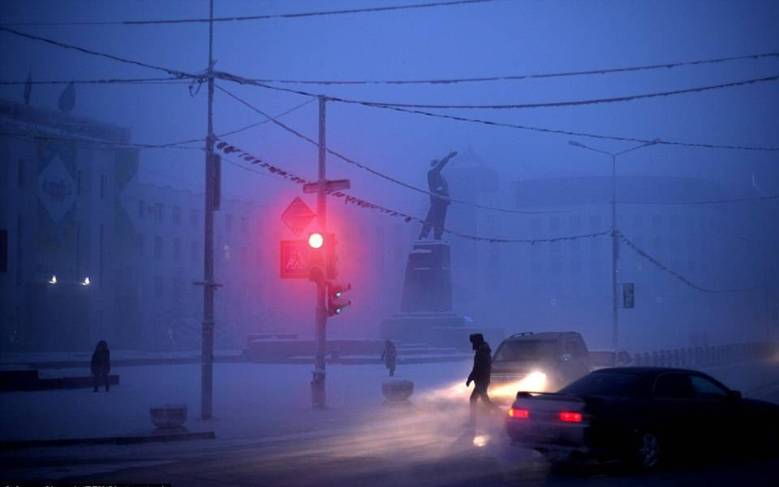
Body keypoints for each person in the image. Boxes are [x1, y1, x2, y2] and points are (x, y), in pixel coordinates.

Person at [419, 150, 457, 240]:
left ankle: (437, 237)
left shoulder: (441, 176)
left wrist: (447, 198)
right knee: (432, 218)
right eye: (437, 164)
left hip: (443, 201)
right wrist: (448, 157)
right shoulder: (432, 173)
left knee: (439, 220)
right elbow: (441, 165)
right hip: (437, 200)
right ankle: (423, 236)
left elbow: (445, 189)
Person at [466, 333, 496, 423]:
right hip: (483, 380)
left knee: (476, 399)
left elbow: (477, 368)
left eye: (473, 342)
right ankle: (493, 416)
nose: (472, 345)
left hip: (481, 380)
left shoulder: (481, 352)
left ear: (477, 342)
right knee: (482, 399)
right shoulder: (483, 351)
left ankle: (499, 414)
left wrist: (470, 379)